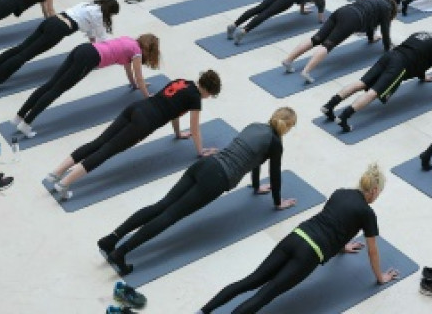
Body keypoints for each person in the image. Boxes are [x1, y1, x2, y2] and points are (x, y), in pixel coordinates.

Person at [98, 107, 299, 276]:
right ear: (288, 127)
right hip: (217, 179)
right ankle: (121, 252)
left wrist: (256, 186)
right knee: (170, 215)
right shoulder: (276, 143)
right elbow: (274, 175)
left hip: (205, 165)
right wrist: (277, 202)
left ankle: (112, 239)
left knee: (161, 205)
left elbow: (255, 161)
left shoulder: (255, 126)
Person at [195, 164, 399, 314]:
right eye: (379, 193)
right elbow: (372, 251)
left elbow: (334, 221)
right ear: (374, 190)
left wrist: (342, 246)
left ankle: (205, 310)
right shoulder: (367, 213)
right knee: (267, 293)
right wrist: (380, 278)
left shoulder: (340, 193)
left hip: (296, 236)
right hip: (309, 253)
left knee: (250, 281)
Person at [43, 70, 222, 202]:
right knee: (107, 150)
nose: (208, 98)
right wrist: (200, 151)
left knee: (99, 142)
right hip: (145, 122)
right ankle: (65, 183)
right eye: (210, 95)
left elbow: (174, 111)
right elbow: (195, 128)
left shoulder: (183, 81)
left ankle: (56, 173)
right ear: (208, 91)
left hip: (136, 108)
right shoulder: (196, 98)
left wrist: (177, 133)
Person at [11, 33, 160, 137]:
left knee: (50, 84)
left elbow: (129, 70)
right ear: (150, 49)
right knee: (56, 90)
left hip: (83, 48)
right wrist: (147, 96)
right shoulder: (137, 53)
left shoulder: (129, 41)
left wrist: (134, 85)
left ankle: (19, 116)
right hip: (90, 58)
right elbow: (140, 77)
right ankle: (26, 124)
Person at [321, 28, 432, 133]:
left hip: (390, 55)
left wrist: (422, 76)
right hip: (399, 65)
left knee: (361, 83)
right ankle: (344, 117)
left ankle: (329, 106)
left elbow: (419, 56)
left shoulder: (420, 34)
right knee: (374, 92)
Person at [0, 0, 119, 91]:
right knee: (24, 56)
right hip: (58, 30)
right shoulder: (99, 16)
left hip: (51, 21)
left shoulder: (87, 5)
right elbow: (101, 38)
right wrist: (110, 52)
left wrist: (93, 40)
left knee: (20, 49)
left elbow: (90, 32)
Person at [280, 0, 396, 85]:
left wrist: (371, 38)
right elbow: (385, 30)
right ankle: (306, 71)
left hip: (342, 11)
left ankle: (288, 60)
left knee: (316, 38)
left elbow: (371, 22)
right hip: (353, 19)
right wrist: (388, 47)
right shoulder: (386, 9)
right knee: (328, 45)